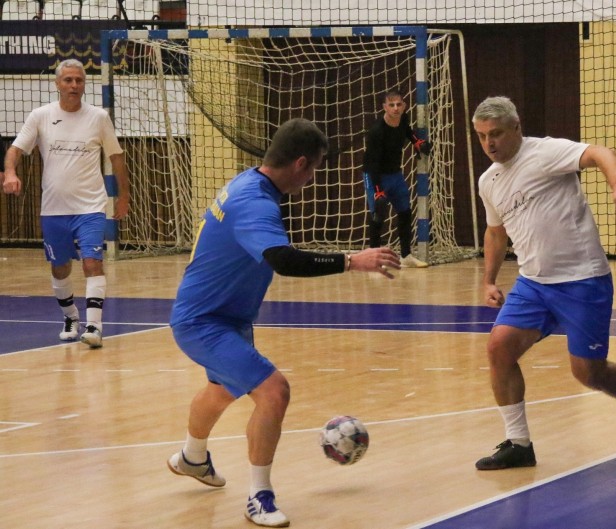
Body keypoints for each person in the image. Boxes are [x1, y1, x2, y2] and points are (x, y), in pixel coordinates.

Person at [167, 118, 401, 527]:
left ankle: (191, 457)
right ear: (299, 164)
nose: (312, 178)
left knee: (221, 391)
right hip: (203, 321)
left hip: (226, 316)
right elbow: (284, 261)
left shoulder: (250, 183)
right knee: (274, 391)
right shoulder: (254, 203)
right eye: (314, 169)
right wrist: (352, 260)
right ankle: (259, 495)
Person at [471, 96, 616, 470]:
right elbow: (496, 233)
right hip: (534, 284)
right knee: (498, 349)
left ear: (516, 128)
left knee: (588, 373)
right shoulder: (488, 181)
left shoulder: (545, 153)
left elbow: (599, 153)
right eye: (481, 136)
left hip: (582, 281)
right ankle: (519, 444)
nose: (488, 144)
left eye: (495, 134)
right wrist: (488, 279)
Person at [3, 58, 130, 349]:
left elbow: (117, 158)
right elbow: (15, 149)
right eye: (68, 80)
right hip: (54, 209)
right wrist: (10, 172)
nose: (74, 85)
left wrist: (123, 196)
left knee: (92, 262)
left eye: (79, 80)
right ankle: (71, 317)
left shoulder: (98, 117)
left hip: (91, 208)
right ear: (58, 83)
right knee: (60, 267)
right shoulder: (41, 115)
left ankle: (94, 326)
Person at [362, 88, 432, 268]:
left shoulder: (404, 119)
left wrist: (417, 142)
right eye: (391, 105)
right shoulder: (377, 131)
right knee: (378, 215)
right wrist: (377, 189)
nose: (395, 108)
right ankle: (374, 260)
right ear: (384, 107)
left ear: (404, 106)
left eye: (398, 104)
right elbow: (373, 162)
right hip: (375, 174)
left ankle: (406, 255)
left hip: (395, 174)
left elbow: (408, 131)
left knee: (405, 212)